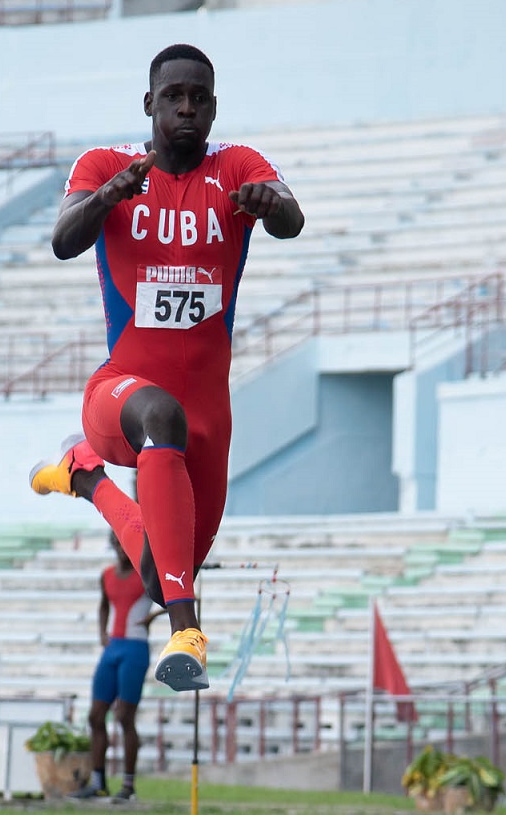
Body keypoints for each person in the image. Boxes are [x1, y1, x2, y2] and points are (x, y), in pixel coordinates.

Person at [29, 43, 305, 692]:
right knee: (160, 414)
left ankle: (86, 477)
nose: (186, 107)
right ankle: (187, 630)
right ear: (149, 104)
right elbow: (64, 239)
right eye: (173, 96)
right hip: (120, 393)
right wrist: (108, 198)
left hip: (208, 417)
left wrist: (270, 204)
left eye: (199, 98)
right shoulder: (105, 164)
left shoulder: (236, 166)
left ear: (213, 108)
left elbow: (291, 217)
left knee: (158, 571)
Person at [70, 532, 162, 802]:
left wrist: (152, 616)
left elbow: (176, 600)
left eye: (127, 544)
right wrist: (101, 632)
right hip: (113, 649)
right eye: (118, 544)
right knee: (95, 716)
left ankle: (128, 785)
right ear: (112, 544)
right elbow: (103, 606)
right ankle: (98, 782)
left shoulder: (146, 575)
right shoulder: (107, 575)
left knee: (124, 717)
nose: (122, 549)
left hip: (135, 648)